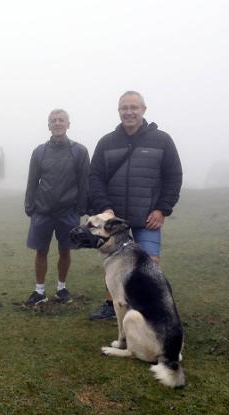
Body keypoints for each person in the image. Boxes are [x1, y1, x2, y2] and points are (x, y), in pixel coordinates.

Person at [87, 91, 183, 320]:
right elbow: (95, 177)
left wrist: (162, 209)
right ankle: (111, 305)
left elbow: (173, 176)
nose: (129, 112)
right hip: (114, 219)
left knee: (150, 263)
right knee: (112, 262)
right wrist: (105, 208)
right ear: (119, 111)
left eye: (134, 107)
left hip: (147, 216)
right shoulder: (107, 142)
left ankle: (145, 305)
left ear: (143, 110)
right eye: (124, 108)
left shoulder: (162, 140)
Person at [24, 109, 90, 306]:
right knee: (41, 251)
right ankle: (40, 291)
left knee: (65, 250)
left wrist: (80, 209)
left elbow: (84, 182)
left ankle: (61, 288)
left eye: (61, 120)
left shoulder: (79, 151)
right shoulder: (39, 151)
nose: (57, 123)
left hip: (68, 212)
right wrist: (30, 206)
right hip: (43, 211)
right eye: (53, 120)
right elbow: (32, 180)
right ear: (48, 126)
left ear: (68, 124)